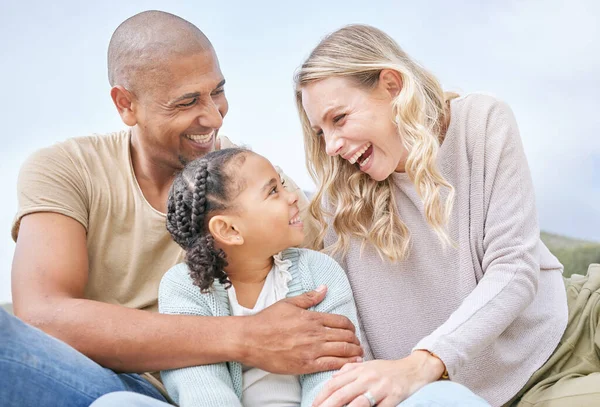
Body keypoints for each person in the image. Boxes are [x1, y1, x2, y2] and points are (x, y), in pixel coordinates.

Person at [0, 11, 362, 407]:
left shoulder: (254, 186)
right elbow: (43, 316)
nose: (213, 115)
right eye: (187, 101)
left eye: (217, 91)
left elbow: (339, 264)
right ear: (126, 104)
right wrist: (247, 338)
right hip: (115, 386)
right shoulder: (68, 169)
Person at [294, 24, 600, 407]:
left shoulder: (480, 122)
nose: (332, 145)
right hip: (499, 393)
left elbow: (514, 267)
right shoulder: (337, 203)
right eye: (320, 131)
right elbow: (241, 196)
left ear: (392, 85)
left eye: (339, 118)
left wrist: (421, 365)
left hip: (572, 324)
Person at [90, 148, 491, 406]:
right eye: (272, 191)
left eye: (283, 184)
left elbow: (334, 372)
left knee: (447, 398)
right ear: (229, 230)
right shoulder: (183, 289)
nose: (292, 196)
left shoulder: (318, 271)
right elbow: (199, 386)